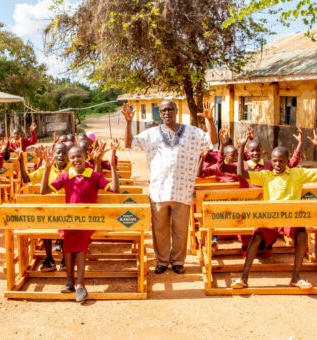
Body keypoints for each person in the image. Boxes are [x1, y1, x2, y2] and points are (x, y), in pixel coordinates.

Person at [123, 99, 218, 274]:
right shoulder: (150, 134)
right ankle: (162, 261)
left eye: (170, 109)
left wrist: (210, 121)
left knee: (180, 229)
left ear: (176, 111)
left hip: (182, 189)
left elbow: (212, 142)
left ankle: (177, 261)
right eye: (164, 110)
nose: (167, 113)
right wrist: (128, 123)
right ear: (160, 113)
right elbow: (129, 144)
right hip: (158, 190)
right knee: (160, 229)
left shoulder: (192, 132)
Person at [230, 128, 317, 290]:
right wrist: (241, 149)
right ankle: (244, 278)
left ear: (287, 160)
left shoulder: (297, 173)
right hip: (272, 216)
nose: (277, 164)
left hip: (291, 215)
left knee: (302, 233)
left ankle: (296, 277)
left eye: (281, 161)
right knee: (256, 235)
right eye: (274, 161)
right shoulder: (266, 175)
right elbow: (241, 173)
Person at [40, 143, 120, 302]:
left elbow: (115, 189)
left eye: (79, 156)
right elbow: (44, 191)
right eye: (73, 157)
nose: (76, 160)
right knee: (69, 239)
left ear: (85, 157)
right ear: (69, 160)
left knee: (80, 238)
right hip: (70, 220)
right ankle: (70, 282)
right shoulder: (65, 176)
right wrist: (47, 167)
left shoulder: (94, 176)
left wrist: (112, 166)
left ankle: (80, 284)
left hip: (88, 220)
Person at [18, 143, 72, 272]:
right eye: (58, 152)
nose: (60, 155)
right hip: (50, 210)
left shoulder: (72, 169)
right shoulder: (45, 168)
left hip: (67, 210)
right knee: (44, 221)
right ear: (53, 154)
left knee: (68, 228)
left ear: (68, 156)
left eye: (64, 153)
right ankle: (49, 259)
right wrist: (21, 161)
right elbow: (26, 179)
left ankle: (66, 258)